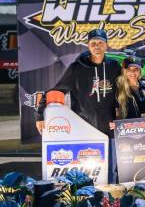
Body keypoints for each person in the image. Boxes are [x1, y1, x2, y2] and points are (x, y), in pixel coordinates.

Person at [35, 29, 121, 183]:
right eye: (93, 43)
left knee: (111, 172)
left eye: (100, 43)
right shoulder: (77, 68)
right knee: (87, 173)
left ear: (106, 46)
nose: (97, 46)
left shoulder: (114, 66)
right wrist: (40, 114)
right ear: (88, 46)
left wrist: (121, 119)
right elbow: (56, 90)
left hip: (108, 127)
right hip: (84, 127)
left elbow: (123, 93)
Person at [115, 56, 145, 120]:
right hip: (129, 127)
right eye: (129, 69)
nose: (132, 72)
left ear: (140, 71)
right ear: (124, 71)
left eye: (136, 69)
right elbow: (117, 114)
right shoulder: (119, 88)